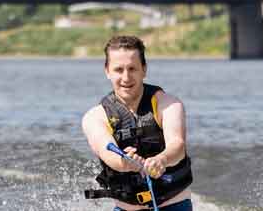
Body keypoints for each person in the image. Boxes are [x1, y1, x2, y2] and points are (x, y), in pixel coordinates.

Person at [83, 35, 193, 211]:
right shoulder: (95, 117)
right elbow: (105, 149)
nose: (126, 77)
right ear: (107, 71)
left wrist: (161, 160)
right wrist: (124, 162)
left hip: (173, 205)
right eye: (119, 70)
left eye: (132, 69)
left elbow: (177, 146)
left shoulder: (169, 105)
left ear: (144, 69)